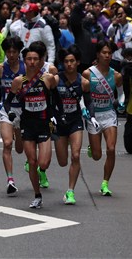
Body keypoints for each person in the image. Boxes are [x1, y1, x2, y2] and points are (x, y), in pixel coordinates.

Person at [8, 41, 58, 209]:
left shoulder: (48, 78)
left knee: (43, 163)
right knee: (32, 161)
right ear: (24, 61)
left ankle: (40, 173)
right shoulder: (18, 81)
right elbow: (8, 102)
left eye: (35, 59)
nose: (32, 62)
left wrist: (56, 116)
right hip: (27, 125)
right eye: (29, 59)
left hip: (44, 124)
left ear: (40, 61)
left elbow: (56, 99)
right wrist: (11, 113)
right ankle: (37, 195)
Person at [83, 40, 123, 197]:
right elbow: (83, 94)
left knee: (111, 149)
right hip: (94, 116)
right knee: (97, 155)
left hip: (109, 114)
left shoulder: (117, 75)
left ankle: (105, 183)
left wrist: (121, 103)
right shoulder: (88, 74)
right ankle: (92, 148)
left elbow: (121, 94)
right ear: (98, 54)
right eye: (104, 52)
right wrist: (84, 109)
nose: (107, 55)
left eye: (109, 53)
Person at [53, 46, 90, 205]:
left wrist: (90, 116)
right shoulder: (56, 80)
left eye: (72, 61)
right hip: (60, 123)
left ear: (78, 62)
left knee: (75, 155)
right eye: (66, 61)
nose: (69, 64)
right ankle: (42, 169)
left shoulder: (84, 82)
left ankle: (70, 191)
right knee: (62, 161)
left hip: (75, 122)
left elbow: (89, 102)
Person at [0, 36, 25, 196]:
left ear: (19, 52)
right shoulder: (0, 69)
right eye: (8, 52)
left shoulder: (26, 67)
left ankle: (18, 132)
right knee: (7, 143)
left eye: (14, 51)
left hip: (24, 110)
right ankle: (10, 180)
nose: (11, 55)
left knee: (20, 149)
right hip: (6, 109)